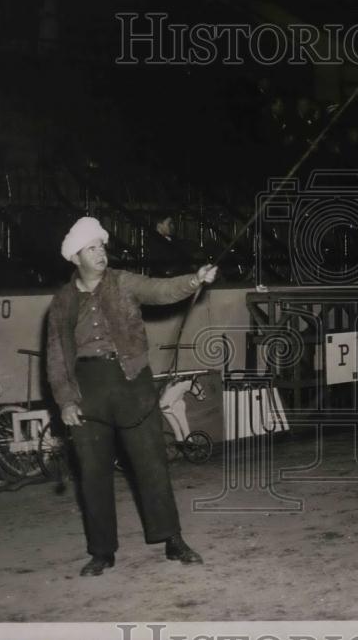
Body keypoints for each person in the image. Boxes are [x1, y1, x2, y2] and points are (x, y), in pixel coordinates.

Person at [46, 216, 217, 576]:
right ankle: (101, 552)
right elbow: (57, 356)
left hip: (131, 382)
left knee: (152, 463)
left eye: (102, 245)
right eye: (91, 248)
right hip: (87, 388)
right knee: (92, 474)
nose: (100, 252)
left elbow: (161, 290)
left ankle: (172, 539)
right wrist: (66, 401)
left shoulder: (123, 282)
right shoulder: (61, 302)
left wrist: (194, 279)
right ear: (75, 257)